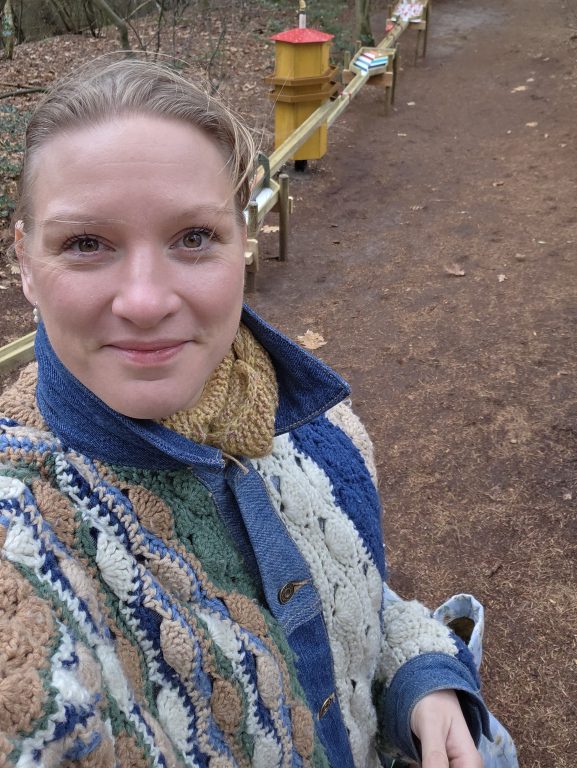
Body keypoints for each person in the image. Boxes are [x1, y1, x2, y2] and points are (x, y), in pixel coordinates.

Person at [0, 57, 517, 768]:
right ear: (25, 260)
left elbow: (356, 598)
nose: (145, 301)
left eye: (193, 237)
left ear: (242, 239)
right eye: (86, 244)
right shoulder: (23, 536)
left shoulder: (310, 423)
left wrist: (420, 679)